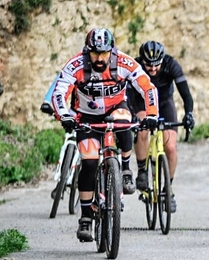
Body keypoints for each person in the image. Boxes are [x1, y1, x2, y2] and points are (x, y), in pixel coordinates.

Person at [51, 28, 159, 242]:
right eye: (95, 54)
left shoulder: (124, 63)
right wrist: (64, 115)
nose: (100, 58)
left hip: (115, 107)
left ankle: (126, 170)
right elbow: (59, 91)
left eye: (104, 53)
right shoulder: (76, 65)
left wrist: (152, 114)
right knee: (89, 161)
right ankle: (85, 217)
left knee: (123, 121)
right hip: (87, 116)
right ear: (87, 51)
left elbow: (147, 87)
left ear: (112, 50)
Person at [129, 40, 195, 212]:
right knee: (142, 129)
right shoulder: (135, 66)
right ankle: (142, 171)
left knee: (171, 148)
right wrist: (132, 115)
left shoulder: (171, 65)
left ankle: (168, 190)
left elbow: (186, 94)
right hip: (141, 103)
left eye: (155, 66)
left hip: (165, 103)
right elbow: (127, 95)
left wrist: (189, 114)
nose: (152, 70)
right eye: (148, 66)